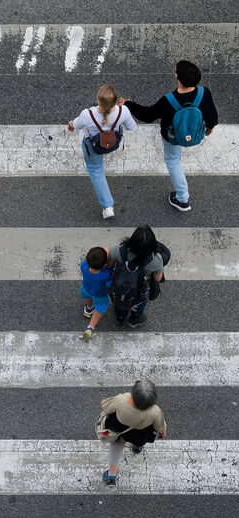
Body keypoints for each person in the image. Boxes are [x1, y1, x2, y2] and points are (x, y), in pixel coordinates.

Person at [123, 60, 219, 211]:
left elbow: (147, 115)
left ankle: (182, 199)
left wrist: (129, 104)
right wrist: (209, 128)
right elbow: (212, 115)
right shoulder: (204, 93)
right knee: (174, 160)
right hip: (194, 133)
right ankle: (181, 199)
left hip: (172, 137)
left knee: (173, 161)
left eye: (175, 71)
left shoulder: (168, 100)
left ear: (178, 78)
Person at [68, 84, 137, 219]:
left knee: (95, 170)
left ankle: (107, 207)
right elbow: (131, 127)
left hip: (93, 146)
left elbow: (75, 125)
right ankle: (107, 207)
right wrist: (123, 109)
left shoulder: (87, 114)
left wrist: (70, 125)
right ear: (116, 101)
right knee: (97, 167)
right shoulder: (123, 111)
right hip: (112, 142)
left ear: (98, 100)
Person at [99, 379, 167, 485]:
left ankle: (111, 474)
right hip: (139, 434)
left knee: (116, 446)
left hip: (119, 430)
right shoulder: (155, 412)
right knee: (140, 441)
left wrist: (103, 402)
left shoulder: (120, 400)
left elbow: (106, 406)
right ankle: (137, 448)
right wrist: (162, 433)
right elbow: (160, 427)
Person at [108, 225, 165, 329]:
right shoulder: (156, 260)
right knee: (139, 305)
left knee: (120, 303)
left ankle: (120, 318)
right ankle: (134, 320)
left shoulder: (117, 251)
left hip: (120, 287)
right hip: (140, 290)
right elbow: (158, 278)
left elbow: (109, 266)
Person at [79, 247, 112, 341]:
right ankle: (90, 327)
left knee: (88, 297)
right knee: (99, 307)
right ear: (105, 264)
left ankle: (88, 309)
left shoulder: (84, 266)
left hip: (86, 288)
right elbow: (107, 251)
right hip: (100, 294)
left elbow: (87, 258)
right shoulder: (106, 274)